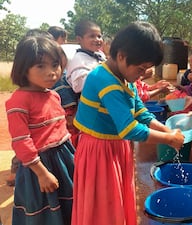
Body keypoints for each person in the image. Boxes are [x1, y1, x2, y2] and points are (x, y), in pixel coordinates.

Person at [71, 21, 185, 225]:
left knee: (115, 200)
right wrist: (168, 139)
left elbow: (140, 111)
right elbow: (129, 128)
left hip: (115, 147)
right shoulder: (105, 80)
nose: (142, 76)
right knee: (102, 207)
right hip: (99, 151)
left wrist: (165, 129)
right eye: (141, 69)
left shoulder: (124, 77)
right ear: (121, 55)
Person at [6, 36, 75, 225]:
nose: (52, 72)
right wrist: (42, 173)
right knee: (46, 211)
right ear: (23, 69)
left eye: (55, 65)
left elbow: (60, 129)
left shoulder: (53, 95)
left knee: (68, 204)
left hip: (64, 158)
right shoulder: (18, 101)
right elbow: (21, 142)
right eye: (40, 66)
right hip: (40, 166)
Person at [66, 20, 105, 93]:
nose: (97, 40)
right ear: (79, 39)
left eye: (99, 36)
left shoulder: (100, 55)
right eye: (92, 36)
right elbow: (79, 86)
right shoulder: (79, 59)